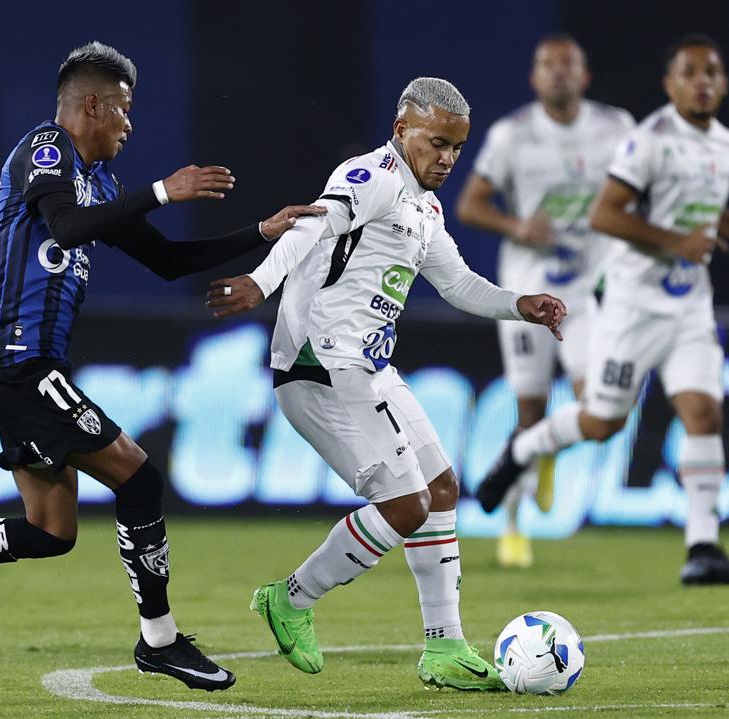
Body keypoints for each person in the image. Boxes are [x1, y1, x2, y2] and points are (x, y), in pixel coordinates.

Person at [0, 41, 323, 691]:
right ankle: (159, 640)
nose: (130, 124)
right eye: (124, 110)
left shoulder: (102, 184)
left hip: (19, 371)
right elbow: (65, 227)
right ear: (91, 104)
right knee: (140, 477)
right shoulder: (45, 151)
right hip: (19, 365)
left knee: (50, 531)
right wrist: (164, 189)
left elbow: (168, 262)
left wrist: (260, 234)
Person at [205, 77, 566, 690]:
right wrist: (261, 283)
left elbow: (457, 284)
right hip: (320, 367)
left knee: (442, 488)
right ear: (402, 131)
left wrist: (519, 303)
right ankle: (290, 599)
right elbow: (309, 228)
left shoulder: (424, 208)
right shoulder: (369, 178)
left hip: (367, 368)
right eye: (436, 142)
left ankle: (445, 649)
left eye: (456, 146)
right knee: (405, 506)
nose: (447, 158)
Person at [475, 34, 729, 585]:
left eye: (713, 72)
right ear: (670, 84)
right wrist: (673, 242)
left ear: (724, 84)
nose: (703, 81)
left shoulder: (724, 142)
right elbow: (605, 216)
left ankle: (702, 546)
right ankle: (525, 447)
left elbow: (702, 206)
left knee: (704, 414)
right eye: (690, 72)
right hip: (634, 305)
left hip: (689, 304)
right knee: (602, 421)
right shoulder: (649, 139)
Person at [455, 34, 634, 568]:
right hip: (529, 291)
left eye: (568, 65)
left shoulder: (616, 127)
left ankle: (546, 449)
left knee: (598, 405)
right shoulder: (513, 135)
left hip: (585, 289)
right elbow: (470, 203)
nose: (558, 73)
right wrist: (517, 226)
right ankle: (514, 525)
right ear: (535, 78)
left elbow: (642, 188)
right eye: (547, 65)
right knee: (529, 410)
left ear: (585, 75)